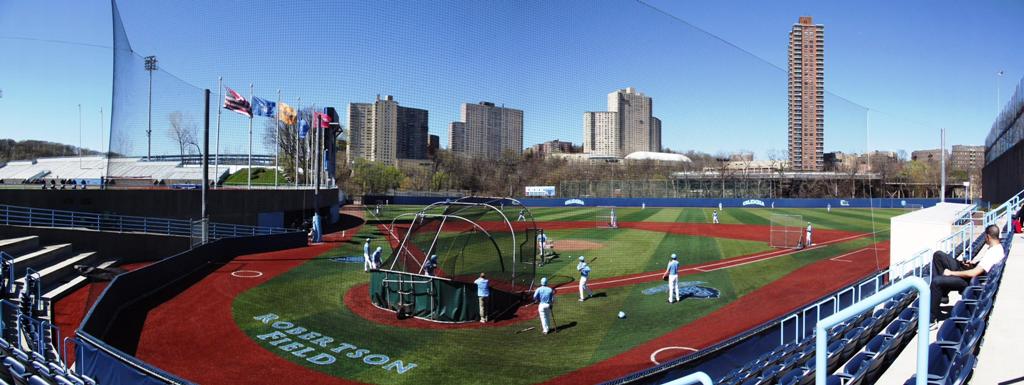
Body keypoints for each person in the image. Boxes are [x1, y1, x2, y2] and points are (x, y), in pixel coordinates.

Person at [930, 224, 1005, 322]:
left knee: (937, 281)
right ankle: (943, 295)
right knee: (938, 255)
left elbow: (974, 273)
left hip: (970, 281)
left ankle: (931, 317)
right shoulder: (997, 248)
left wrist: (951, 273)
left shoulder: (993, 252)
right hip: (973, 275)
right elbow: (980, 268)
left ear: (988, 236)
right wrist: (972, 265)